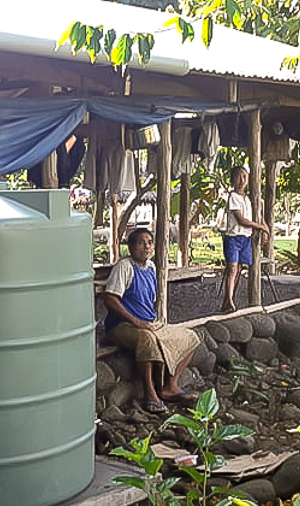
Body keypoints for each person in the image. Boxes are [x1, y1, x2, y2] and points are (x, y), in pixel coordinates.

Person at [103, 228, 201, 413]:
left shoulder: (151, 268)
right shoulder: (124, 267)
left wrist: (149, 323)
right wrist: (136, 322)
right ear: (131, 247)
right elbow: (110, 299)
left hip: (148, 322)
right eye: (141, 243)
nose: (146, 247)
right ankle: (149, 393)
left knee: (190, 337)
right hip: (121, 326)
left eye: (149, 242)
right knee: (146, 339)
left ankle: (170, 386)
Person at [220, 166, 269, 312]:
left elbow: (258, 217)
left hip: (246, 238)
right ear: (233, 179)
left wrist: (265, 229)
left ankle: (228, 300)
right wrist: (260, 227)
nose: (242, 180)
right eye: (239, 176)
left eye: (245, 176)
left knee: (239, 269)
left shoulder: (249, 199)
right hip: (233, 238)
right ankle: (229, 299)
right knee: (232, 269)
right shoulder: (232, 197)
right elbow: (241, 220)